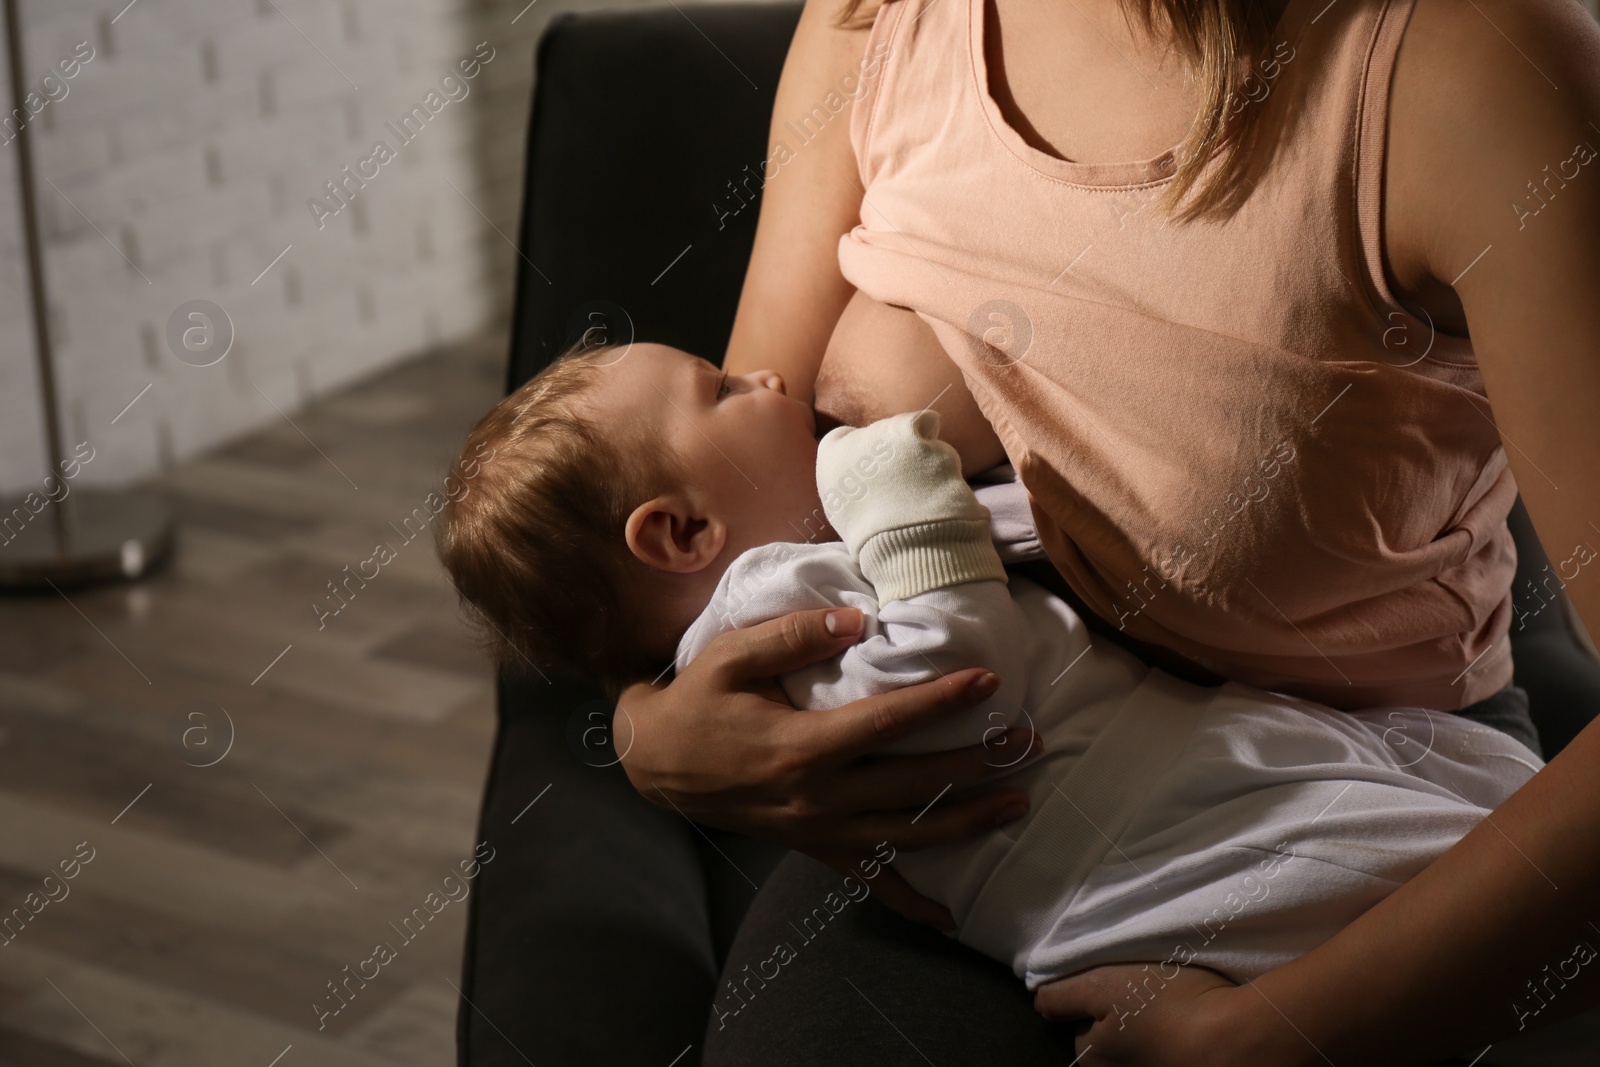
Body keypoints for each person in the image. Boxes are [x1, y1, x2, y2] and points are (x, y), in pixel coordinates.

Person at [609, 0, 1600, 1062]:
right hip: (968, 810)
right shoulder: (872, 23)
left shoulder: (1472, 62)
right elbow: (742, 512)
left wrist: (1278, 1037)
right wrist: (646, 731)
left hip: (1339, 806)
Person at [437, 339, 1583, 1064]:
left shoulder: (798, 563)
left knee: (1482, 799)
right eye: (724, 390)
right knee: (1447, 870)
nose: (770, 374)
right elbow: (957, 669)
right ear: (681, 533)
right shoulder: (770, 610)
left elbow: (1012, 551)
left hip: (1196, 777)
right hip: (1155, 856)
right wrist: (900, 492)